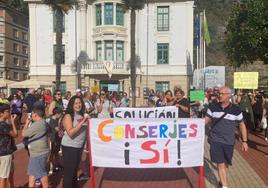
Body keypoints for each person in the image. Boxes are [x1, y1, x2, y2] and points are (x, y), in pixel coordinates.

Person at [205, 86, 248, 188]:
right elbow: (205, 121)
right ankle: (224, 185)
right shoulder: (213, 107)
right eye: (219, 93)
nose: (219, 95)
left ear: (229, 95)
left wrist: (245, 141)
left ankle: (222, 180)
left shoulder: (236, 109)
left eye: (222, 94)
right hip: (215, 140)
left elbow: (242, 124)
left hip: (229, 141)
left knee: (225, 163)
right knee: (220, 164)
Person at [61, 96, 88, 188]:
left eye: (80, 103)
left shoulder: (81, 115)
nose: (78, 105)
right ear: (71, 104)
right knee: (69, 173)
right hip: (69, 147)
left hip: (79, 147)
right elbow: (71, 133)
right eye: (76, 103)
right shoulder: (68, 116)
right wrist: (83, 122)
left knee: (74, 172)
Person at [22, 105, 49, 188]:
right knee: (32, 172)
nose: (31, 116)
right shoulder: (42, 122)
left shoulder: (38, 124)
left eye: (32, 114)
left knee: (42, 174)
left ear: (35, 114)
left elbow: (24, 133)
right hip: (36, 153)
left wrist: (27, 123)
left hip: (38, 153)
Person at [0, 104, 17, 188]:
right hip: (5, 153)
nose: (9, 113)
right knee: (3, 177)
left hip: (4, 152)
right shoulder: (3, 125)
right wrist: (13, 122)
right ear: (1, 113)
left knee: (10, 172)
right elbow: (15, 134)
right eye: (7, 111)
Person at [48, 107, 63, 174]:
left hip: (57, 139)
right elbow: (58, 129)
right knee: (52, 153)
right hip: (53, 139)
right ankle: (51, 167)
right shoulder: (53, 121)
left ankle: (57, 164)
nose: (61, 116)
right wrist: (60, 123)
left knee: (56, 152)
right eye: (60, 114)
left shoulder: (55, 120)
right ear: (57, 114)